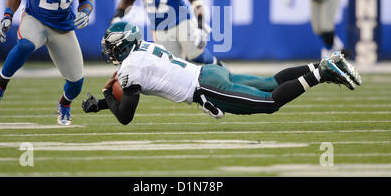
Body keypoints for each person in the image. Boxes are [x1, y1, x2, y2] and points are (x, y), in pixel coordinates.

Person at [81, 21, 362, 124]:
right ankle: (322, 64)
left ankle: (323, 71)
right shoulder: (144, 47)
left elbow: (126, 115)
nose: (109, 53)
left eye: (111, 48)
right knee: (269, 82)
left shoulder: (130, 67)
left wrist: (107, 92)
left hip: (205, 88)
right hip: (210, 73)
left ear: (122, 47)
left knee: (269, 103)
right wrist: (101, 106)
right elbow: (134, 91)